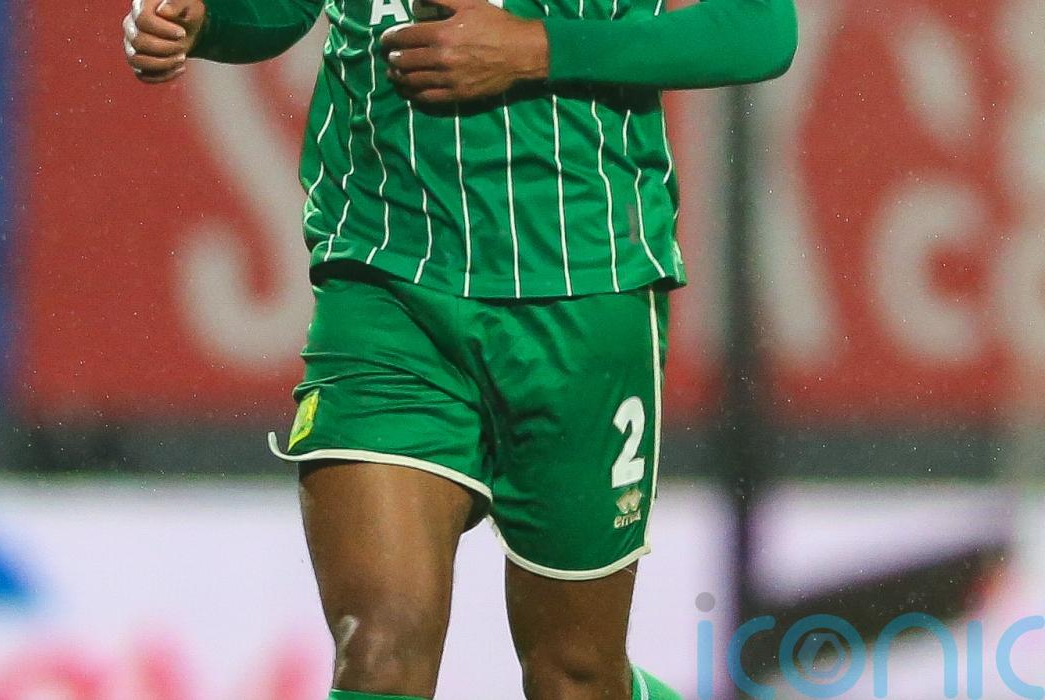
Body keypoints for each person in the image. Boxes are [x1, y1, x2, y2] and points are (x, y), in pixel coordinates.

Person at [121, 0, 796, 697]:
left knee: (573, 674)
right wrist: (207, 24)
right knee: (379, 647)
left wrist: (534, 48)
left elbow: (762, 29)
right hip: (386, 285)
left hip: (586, 291)